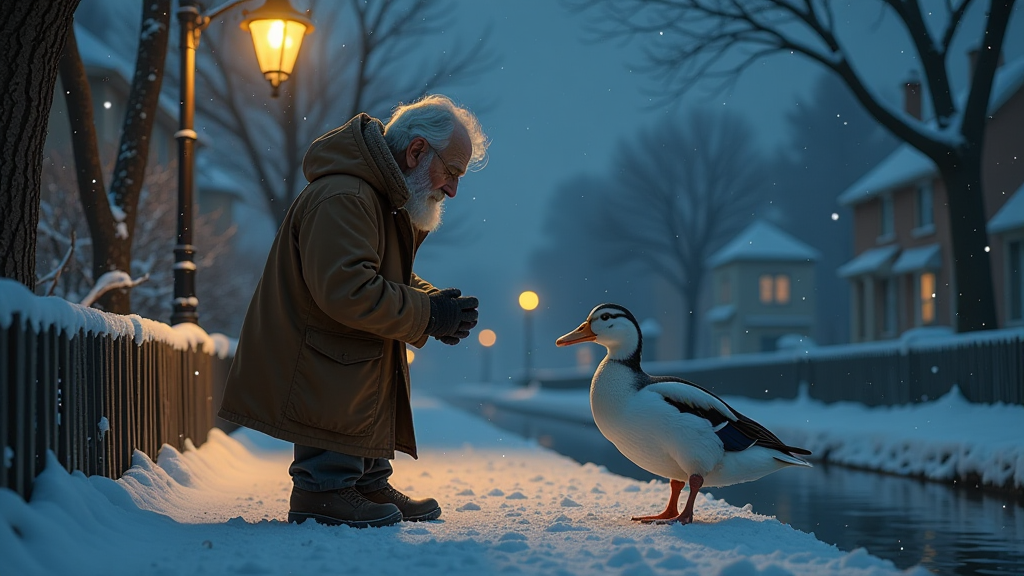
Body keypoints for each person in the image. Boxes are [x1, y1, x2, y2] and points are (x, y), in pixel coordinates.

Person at [218, 94, 489, 528]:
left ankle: (364, 480)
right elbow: (348, 291)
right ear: (417, 150)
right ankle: (321, 489)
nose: (452, 189)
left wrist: (437, 305)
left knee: (356, 370)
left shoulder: (371, 195)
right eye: (451, 172)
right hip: (323, 360)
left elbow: (378, 279)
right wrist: (428, 313)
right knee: (343, 370)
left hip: (338, 362)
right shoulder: (347, 195)